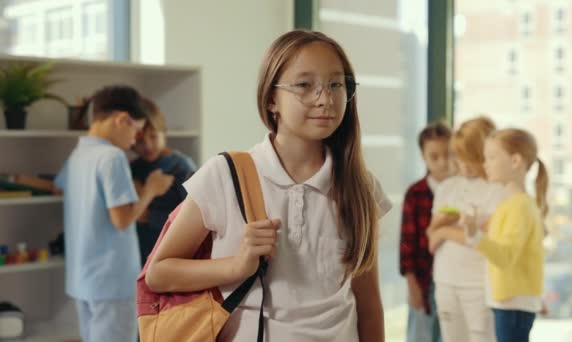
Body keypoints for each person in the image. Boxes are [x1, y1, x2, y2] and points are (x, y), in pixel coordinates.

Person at [144, 30, 392, 341]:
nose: (325, 98)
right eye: (304, 85)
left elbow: (369, 305)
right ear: (271, 98)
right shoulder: (225, 174)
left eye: (335, 84)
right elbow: (159, 273)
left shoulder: (360, 186)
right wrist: (236, 265)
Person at [54, 85, 173, 342]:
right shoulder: (112, 157)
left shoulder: (78, 154)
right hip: (112, 280)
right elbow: (122, 220)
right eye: (136, 130)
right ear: (121, 119)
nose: (134, 140)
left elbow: (60, 187)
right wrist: (151, 190)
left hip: (82, 279)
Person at [461, 128, 547, 342]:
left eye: (491, 157)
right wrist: (476, 228)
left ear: (515, 160)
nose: (485, 164)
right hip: (508, 302)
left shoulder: (520, 207)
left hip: (514, 303)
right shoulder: (511, 205)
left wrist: (475, 234)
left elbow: (505, 256)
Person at [426, 117, 506, 342]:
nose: (463, 164)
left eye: (470, 157)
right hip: (445, 281)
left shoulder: (498, 190)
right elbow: (431, 242)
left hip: (479, 286)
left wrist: (444, 231)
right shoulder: (446, 188)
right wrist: (445, 227)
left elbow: (488, 241)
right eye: (459, 156)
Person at [400, 122, 451, 342]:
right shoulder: (415, 193)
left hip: (451, 281)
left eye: (448, 154)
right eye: (434, 156)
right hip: (422, 280)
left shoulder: (461, 191)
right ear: (423, 156)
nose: (442, 162)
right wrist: (413, 286)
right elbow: (406, 246)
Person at [131, 97, 196, 265]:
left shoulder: (182, 167)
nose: (147, 145)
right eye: (140, 140)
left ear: (163, 132)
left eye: (153, 136)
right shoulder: (134, 168)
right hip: (140, 253)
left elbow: (193, 216)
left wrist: (150, 216)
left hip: (169, 255)